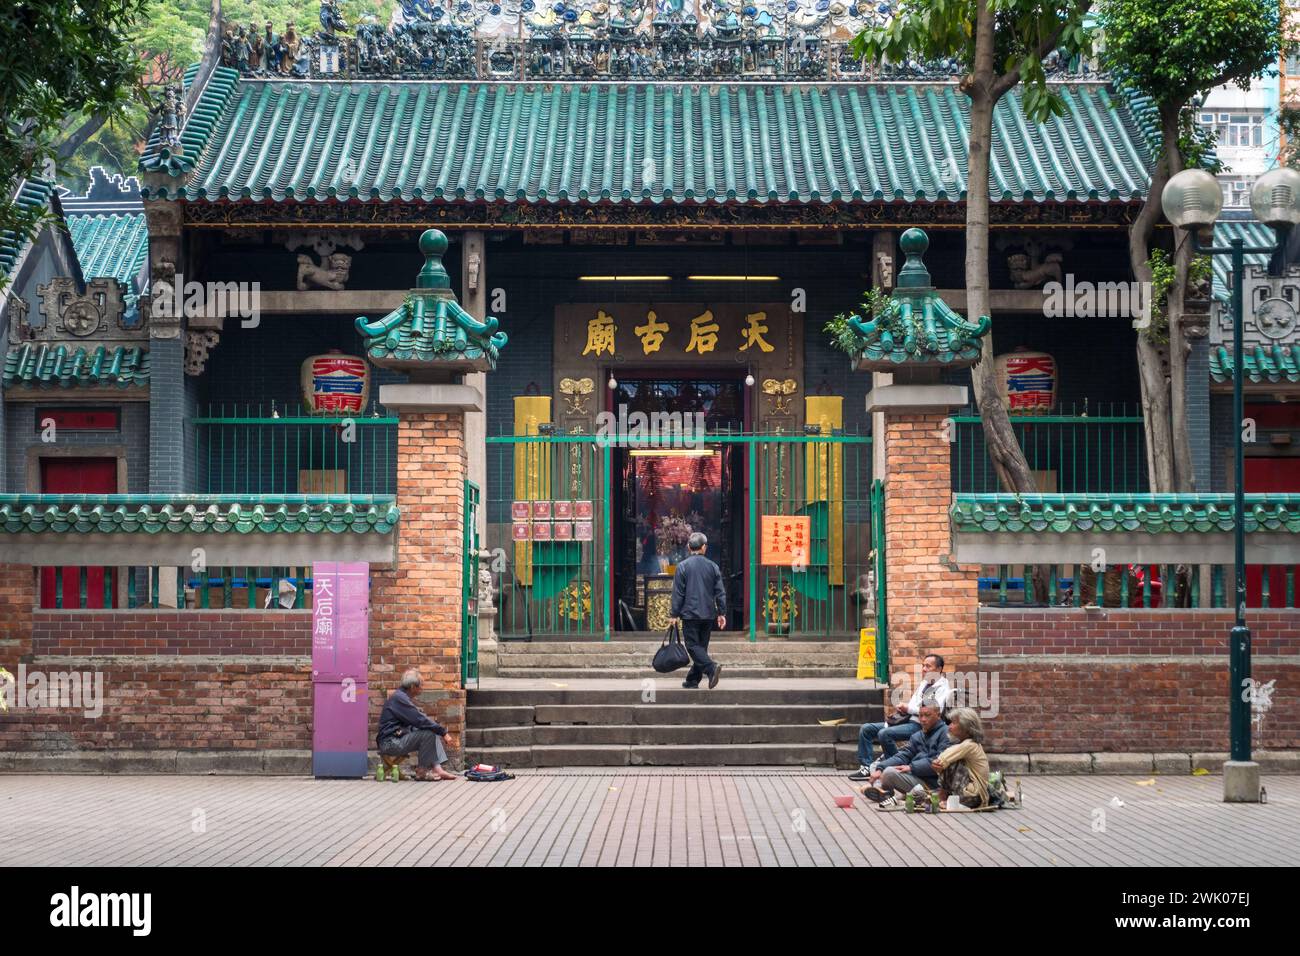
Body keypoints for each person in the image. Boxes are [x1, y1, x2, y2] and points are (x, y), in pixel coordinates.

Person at [848, 653, 951, 781]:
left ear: (939, 669)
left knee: (884, 734)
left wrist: (908, 708)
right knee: (866, 729)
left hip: (919, 725)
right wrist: (904, 708)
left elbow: (936, 710)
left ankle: (893, 768)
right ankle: (866, 767)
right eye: (923, 666)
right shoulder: (925, 683)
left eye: (928, 666)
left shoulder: (943, 689)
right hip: (908, 720)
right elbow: (914, 704)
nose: (924, 669)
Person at [860, 700, 949, 810]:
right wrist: (880, 768)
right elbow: (903, 755)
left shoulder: (946, 733)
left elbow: (938, 761)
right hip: (917, 776)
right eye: (920, 716)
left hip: (933, 783)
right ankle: (885, 793)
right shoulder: (918, 735)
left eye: (927, 715)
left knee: (889, 772)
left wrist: (911, 767)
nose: (923, 720)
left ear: (938, 715)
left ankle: (887, 793)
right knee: (878, 767)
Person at [376, 669, 457, 781]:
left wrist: (437, 729)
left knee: (429, 730)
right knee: (428, 734)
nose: (422, 688)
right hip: (390, 743)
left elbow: (419, 720)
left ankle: (437, 769)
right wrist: (444, 732)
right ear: (413, 687)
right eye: (421, 685)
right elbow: (420, 720)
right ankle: (422, 772)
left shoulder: (401, 697)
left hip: (397, 738)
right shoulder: (400, 699)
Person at [670, 531, 727, 689]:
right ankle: (692, 680)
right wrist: (722, 612)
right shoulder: (713, 567)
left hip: (690, 614)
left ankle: (711, 668)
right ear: (704, 548)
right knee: (700, 647)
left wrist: (674, 613)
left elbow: (678, 593)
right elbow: (720, 592)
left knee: (693, 646)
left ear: (689, 547)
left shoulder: (682, 567)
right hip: (708, 613)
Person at [933, 707, 991, 810]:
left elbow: (943, 758)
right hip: (972, 794)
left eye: (953, 723)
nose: (949, 726)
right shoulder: (967, 744)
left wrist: (938, 764)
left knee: (952, 762)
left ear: (966, 728)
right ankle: (945, 797)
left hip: (974, 796)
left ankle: (942, 797)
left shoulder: (969, 745)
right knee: (952, 760)